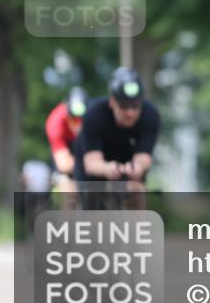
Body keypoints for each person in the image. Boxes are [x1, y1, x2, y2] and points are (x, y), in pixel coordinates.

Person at [74, 68, 160, 207]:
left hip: (127, 161)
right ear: (112, 101)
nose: (130, 112)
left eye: (135, 106)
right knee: (94, 208)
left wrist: (136, 168)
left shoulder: (150, 114)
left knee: (137, 190)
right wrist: (108, 169)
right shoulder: (94, 114)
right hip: (95, 164)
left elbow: (144, 157)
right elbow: (91, 163)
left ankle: (138, 228)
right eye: (124, 106)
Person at [44, 86, 88, 202]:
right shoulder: (56, 121)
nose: (77, 123)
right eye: (73, 119)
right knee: (69, 192)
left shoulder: (93, 117)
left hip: (83, 152)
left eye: (80, 119)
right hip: (65, 153)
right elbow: (64, 165)